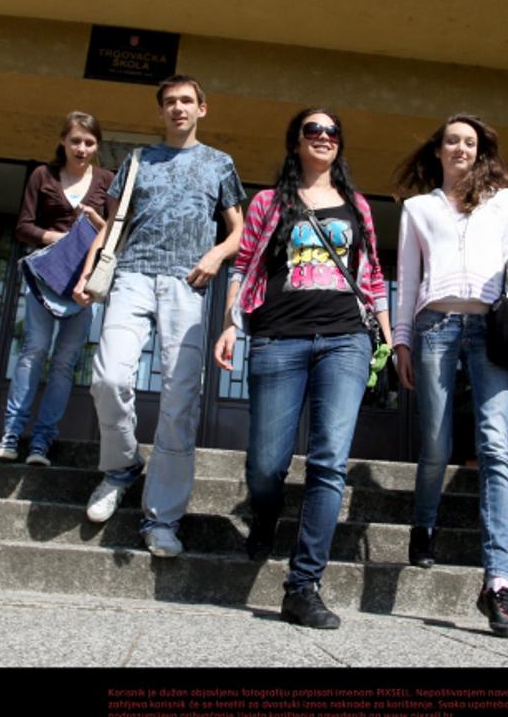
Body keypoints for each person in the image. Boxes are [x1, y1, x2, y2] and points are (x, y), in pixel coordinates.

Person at [212, 108, 391, 629]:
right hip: (278, 338)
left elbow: (374, 274)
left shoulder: (356, 205)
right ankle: (265, 513)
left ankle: (303, 583)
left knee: (329, 461)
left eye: (332, 132)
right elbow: (244, 265)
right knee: (267, 464)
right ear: (295, 142)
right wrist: (231, 323)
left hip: (345, 340)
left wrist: (388, 333)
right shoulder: (269, 202)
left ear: (340, 144)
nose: (323, 137)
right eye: (312, 130)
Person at [73, 75, 245, 558]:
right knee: (107, 378)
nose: (178, 108)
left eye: (186, 101)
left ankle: (162, 517)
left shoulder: (219, 164)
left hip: (186, 285)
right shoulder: (137, 160)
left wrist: (215, 257)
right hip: (131, 275)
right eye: (169, 102)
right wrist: (88, 272)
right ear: (161, 110)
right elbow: (112, 226)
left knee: (179, 397)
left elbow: (240, 231)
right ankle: (122, 466)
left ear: (202, 109)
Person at [393, 113, 508, 638]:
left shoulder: (505, 203)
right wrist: (401, 338)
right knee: (435, 441)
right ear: (439, 150)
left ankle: (497, 581)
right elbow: (406, 276)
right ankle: (423, 524)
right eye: (453, 141)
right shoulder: (417, 208)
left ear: (480, 151)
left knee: (494, 446)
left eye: (470, 142)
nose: (461, 149)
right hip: (436, 324)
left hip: (491, 326)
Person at [0, 112, 114, 467]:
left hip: (83, 283)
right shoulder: (42, 176)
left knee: (64, 363)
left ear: (97, 146)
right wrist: (57, 238)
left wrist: (96, 222)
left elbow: (114, 233)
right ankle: (12, 434)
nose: (82, 148)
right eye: (75, 140)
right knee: (35, 350)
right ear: (63, 141)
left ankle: (42, 442)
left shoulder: (106, 180)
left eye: (89, 142)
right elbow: (23, 226)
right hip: (45, 277)